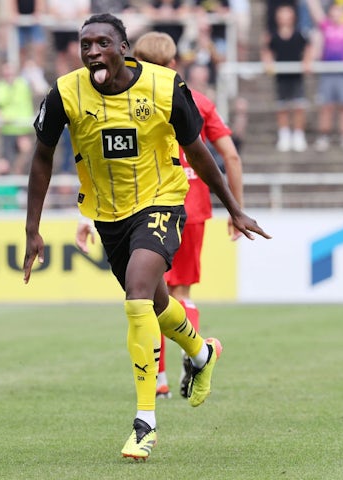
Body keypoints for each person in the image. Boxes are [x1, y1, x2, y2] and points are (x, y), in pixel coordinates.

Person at [23, 13, 270, 461]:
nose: (93, 51)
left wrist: (234, 208)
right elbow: (42, 158)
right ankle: (201, 352)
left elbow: (200, 149)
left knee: (137, 296)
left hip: (162, 202)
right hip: (108, 214)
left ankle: (144, 422)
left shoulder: (165, 87)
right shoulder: (64, 92)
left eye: (102, 43)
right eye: (85, 45)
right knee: (156, 304)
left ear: (123, 48)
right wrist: (32, 228)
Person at [122, 31, 244, 400]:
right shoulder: (201, 102)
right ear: (174, 64)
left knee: (147, 294)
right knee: (181, 292)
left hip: (146, 208)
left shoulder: (129, 101)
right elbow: (231, 157)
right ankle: (192, 360)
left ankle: (157, 379)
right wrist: (235, 208)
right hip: (192, 211)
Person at [305, 0, 343, 152]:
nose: (336, 15)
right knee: (327, 106)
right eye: (333, 12)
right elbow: (316, 12)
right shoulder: (326, 27)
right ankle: (324, 136)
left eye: (339, 11)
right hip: (328, 72)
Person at [260, 3, 313, 153]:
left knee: (299, 106)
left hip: (296, 76)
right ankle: (284, 134)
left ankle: (298, 134)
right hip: (281, 77)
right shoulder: (274, 36)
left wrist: (307, 61)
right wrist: (268, 63)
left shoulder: (299, 34)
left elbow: (308, 47)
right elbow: (267, 51)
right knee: (282, 106)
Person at [0, 61, 35, 174]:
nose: (8, 74)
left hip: (24, 128)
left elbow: (38, 88)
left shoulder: (24, 84)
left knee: (26, 152)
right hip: (8, 130)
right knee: (7, 163)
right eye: (6, 71)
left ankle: (19, 176)